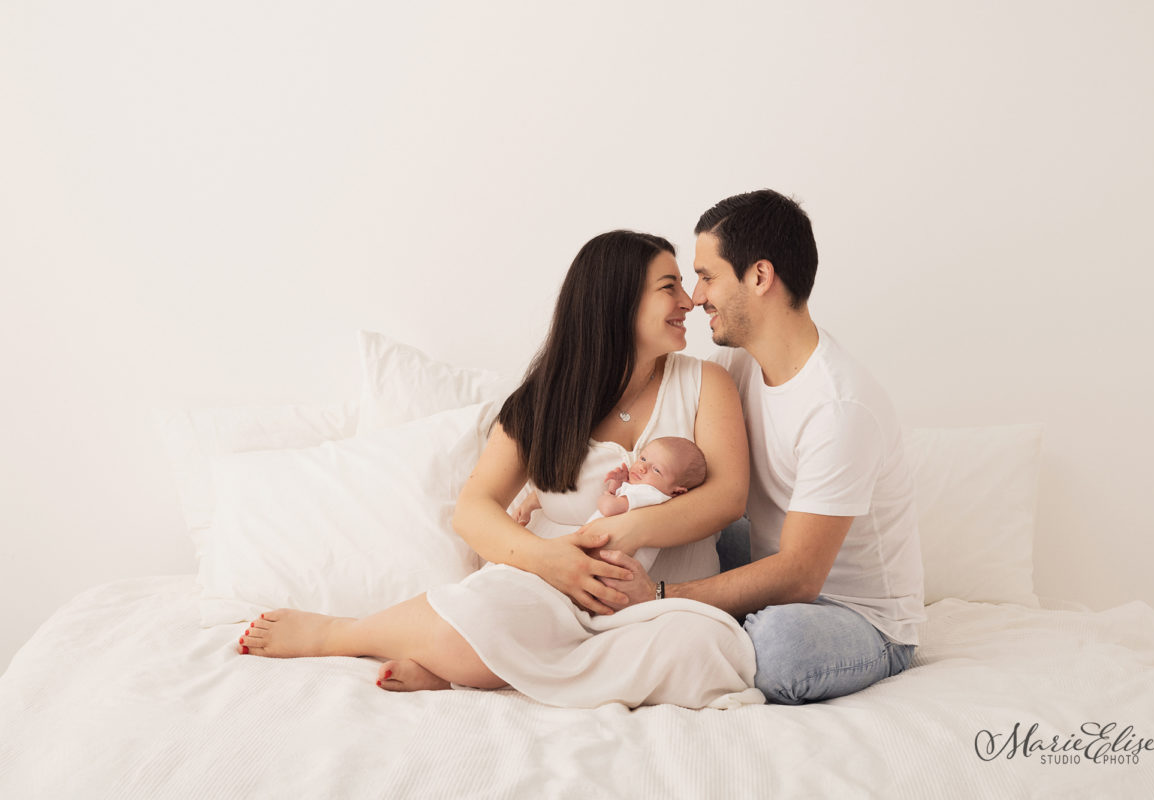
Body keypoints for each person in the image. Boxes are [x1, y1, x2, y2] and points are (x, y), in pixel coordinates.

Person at [237, 230, 760, 709]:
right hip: (551, 593)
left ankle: (482, 672)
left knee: (704, 653)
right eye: (669, 287)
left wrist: (628, 527)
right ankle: (339, 634)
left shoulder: (705, 385)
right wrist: (553, 562)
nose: (689, 300)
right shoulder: (544, 401)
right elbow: (474, 509)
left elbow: (728, 497)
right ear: (617, 301)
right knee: (476, 620)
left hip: (658, 608)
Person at [596, 190, 925, 705]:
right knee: (678, 530)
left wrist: (662, 595)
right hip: (760, 559)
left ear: (760, 276)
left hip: (857, 616)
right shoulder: (736, 370)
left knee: (778, 647)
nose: (696, 296)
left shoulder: (839, 406)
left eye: (707, 276)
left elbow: (799, 575)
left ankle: (671, 630)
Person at [511, 436, 708, 571]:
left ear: (677, 491)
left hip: (607, 561)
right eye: (643, 458)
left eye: (656, 470)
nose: (642, 467)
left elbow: (608, 508)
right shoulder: (649, 493)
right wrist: (619, 485)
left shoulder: (651, 495)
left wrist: (609, 491)